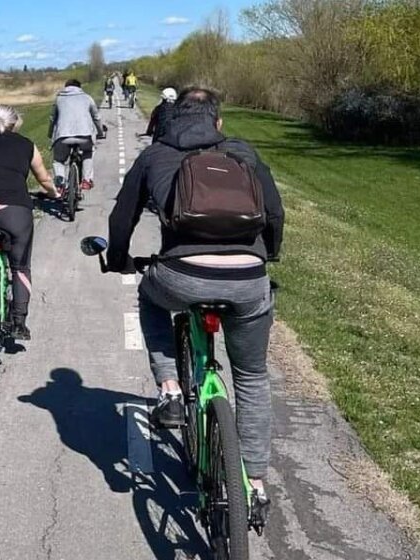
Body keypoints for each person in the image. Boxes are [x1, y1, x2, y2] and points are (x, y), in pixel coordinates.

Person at [106, 88, 284, 522]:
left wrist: (117, 260)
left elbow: (121, 217)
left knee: (149, 300)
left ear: (171, 119)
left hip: (180, 275)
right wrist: (268, 255)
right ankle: (255, 483)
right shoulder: (242, 151)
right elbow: (275, 213)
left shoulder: (156, 154)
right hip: (247, 280)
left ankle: (169, 389)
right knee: (252, 376)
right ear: (217, 121)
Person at [0, 105, 60, 340]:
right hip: (14, 212)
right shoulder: (26, 145)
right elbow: (44, 178)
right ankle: (18, 322)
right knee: (20, 266)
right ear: (15, 123)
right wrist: (55, 194)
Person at [48, 79, 104, 195]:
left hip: (63, 136)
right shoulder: (87, 98)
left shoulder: (59, 99)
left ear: (66, 87)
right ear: (80, 87)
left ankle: (60, 183)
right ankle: (86, 180)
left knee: (59, 160)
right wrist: (100, 132)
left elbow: (53, 119)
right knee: (87, 152)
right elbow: (96, 117)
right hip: (85, 135)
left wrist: (50, 134)